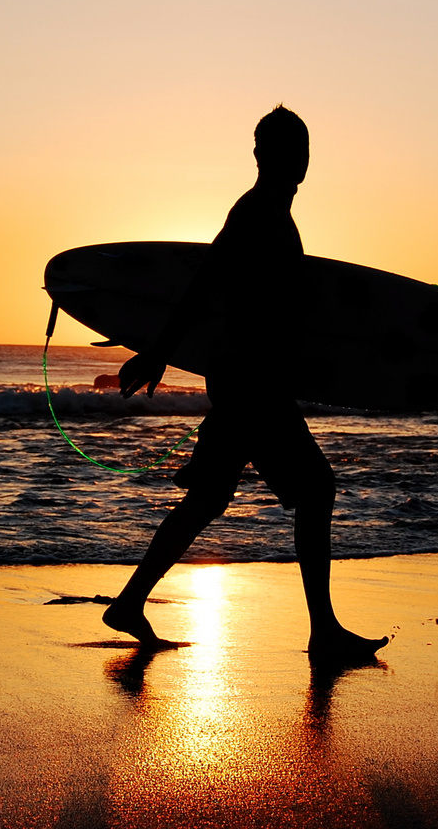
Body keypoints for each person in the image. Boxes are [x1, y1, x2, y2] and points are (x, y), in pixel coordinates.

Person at [103, 105, 389, 663]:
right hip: (252, 384)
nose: (297, 162)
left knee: (209, 498)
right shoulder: (258, 213)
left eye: (302, 151)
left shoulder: (272, 215)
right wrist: (159, 352)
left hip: (248, 380)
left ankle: (130, 601)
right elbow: (205, 282)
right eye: (286, 150)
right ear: (261, 156)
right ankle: (323, 631)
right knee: (317, 490)